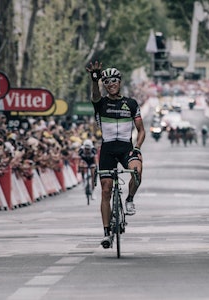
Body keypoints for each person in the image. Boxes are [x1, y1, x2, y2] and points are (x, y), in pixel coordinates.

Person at [86, 61, 146, 249]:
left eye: (114, 81)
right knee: (106, 189)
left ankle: (129, 199)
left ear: (119, 82)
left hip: (126, 147)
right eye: (107, 82)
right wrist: (95, 80)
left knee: (137, 171)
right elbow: (95, 95)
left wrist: (137, 147)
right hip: (108, 149)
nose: (110, 84)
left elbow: (141, 130)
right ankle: (106, 233)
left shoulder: (131, 103)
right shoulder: (101, 103)